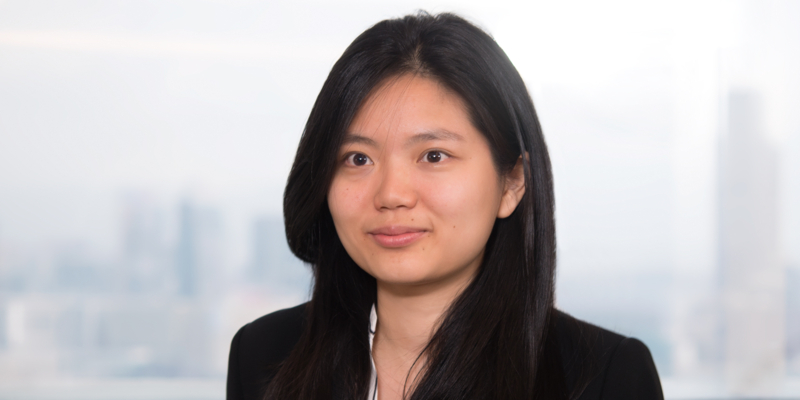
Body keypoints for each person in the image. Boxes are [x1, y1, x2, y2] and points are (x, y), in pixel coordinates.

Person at [226, 12, 663, 400]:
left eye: (433, 156)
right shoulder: (264, 356)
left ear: (512, 182)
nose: (392, 194)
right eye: (358, 159)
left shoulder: (603, 379)